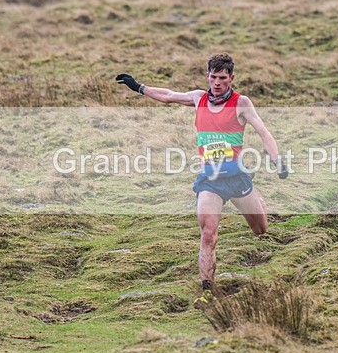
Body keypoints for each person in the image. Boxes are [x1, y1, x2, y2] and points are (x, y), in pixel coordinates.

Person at [115, 53, 288, 307]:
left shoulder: (242, 103)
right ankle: (207, 290)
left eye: (222, 78)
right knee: (208, 235)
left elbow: (264, 132)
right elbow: (169, 95)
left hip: (236, 177)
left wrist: (278, 161)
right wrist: (139, 87)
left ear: (231, 78)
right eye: (213, 77)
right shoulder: (199, 98)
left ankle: (257, 199)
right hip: (210, 180)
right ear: (207, 75)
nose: (217, 83)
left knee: (261, 230)